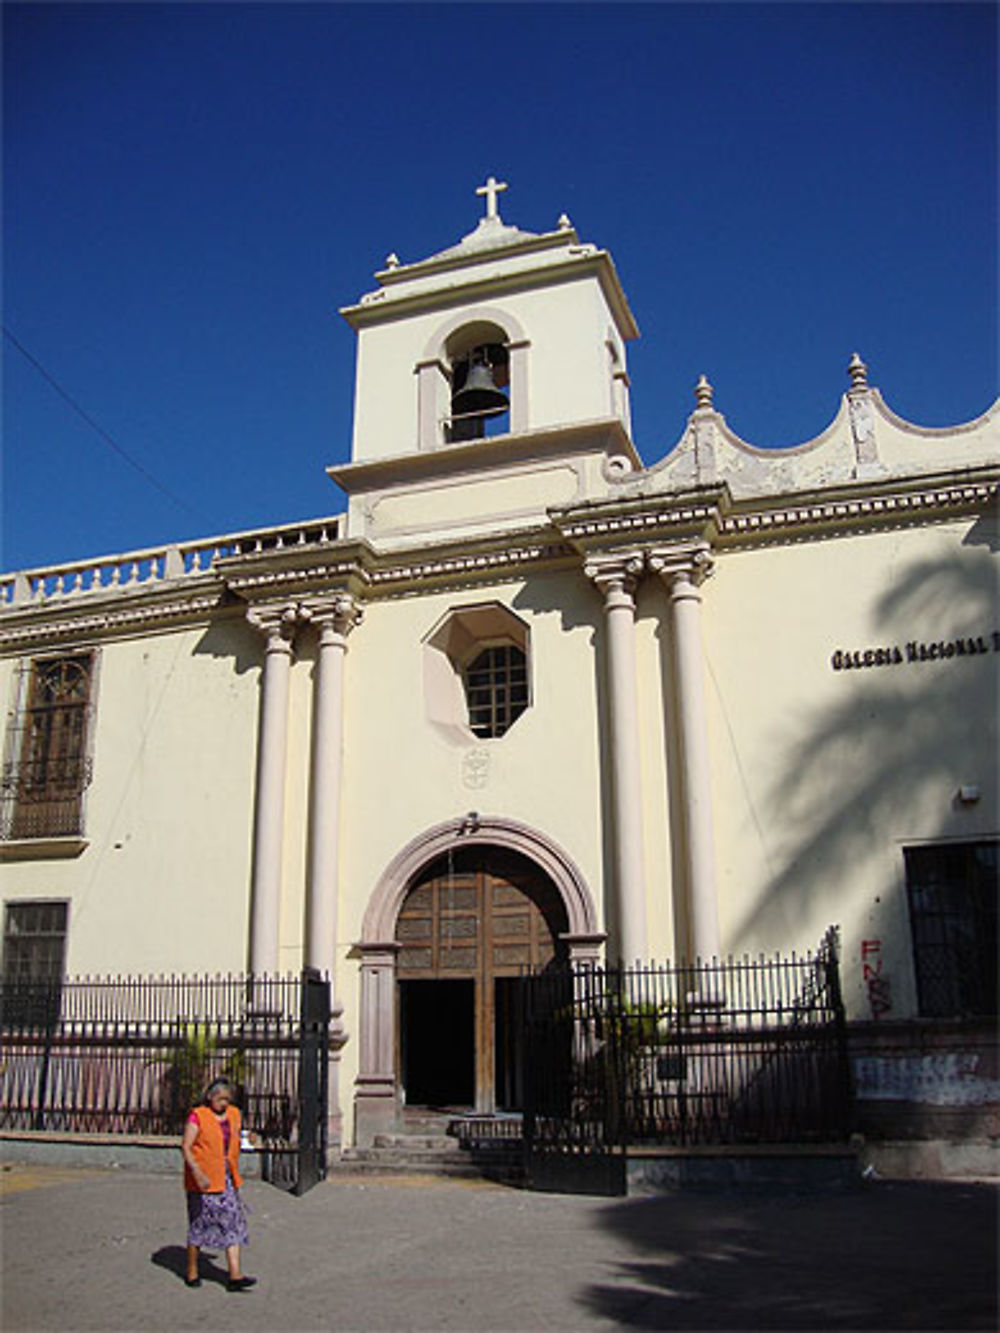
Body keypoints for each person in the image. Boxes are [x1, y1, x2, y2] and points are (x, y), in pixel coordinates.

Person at [181, 1076, 256, 1291]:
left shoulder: (233, 1114)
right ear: (210, 1097)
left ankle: (235, 1274)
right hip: (202, 1181)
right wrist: (197, 1172)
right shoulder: (198, 1116)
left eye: (227, 1099)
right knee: (199, 1225)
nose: (224, 1103)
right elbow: (186, 1146)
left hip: (226, 1178)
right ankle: (192, 1270)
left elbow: (233, 1137)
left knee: (232, 1222)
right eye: (221, 1099)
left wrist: (248, 1137)